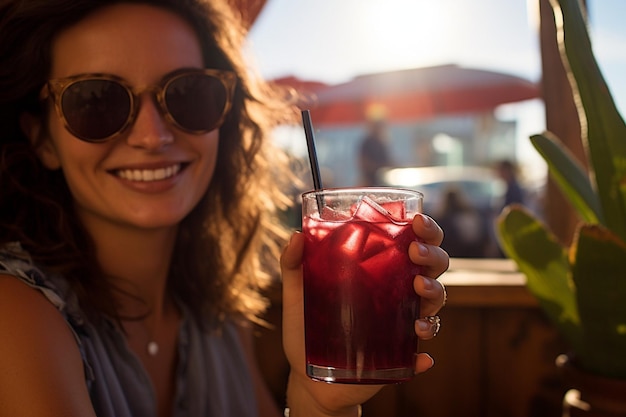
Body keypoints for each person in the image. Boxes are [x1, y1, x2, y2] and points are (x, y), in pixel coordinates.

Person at [0, 1, 449, 416]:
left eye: (188, 94)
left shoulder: (214, 313)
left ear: (224, 118)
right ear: (41, 137)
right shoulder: (17, 318)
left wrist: (318, 400)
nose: (151, 136)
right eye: (95, 100)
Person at [357, 118, 392, 186]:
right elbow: (363, 162)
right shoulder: (367, 142)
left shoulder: (380, 142)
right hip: (371, 180)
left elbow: (387, 160)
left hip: (382, 179)